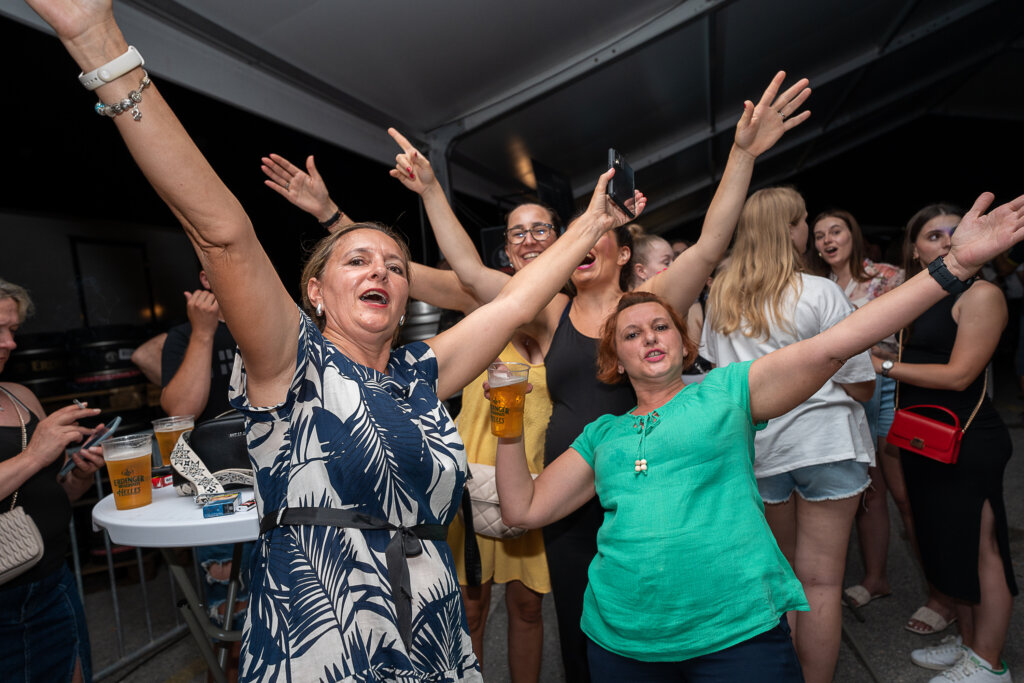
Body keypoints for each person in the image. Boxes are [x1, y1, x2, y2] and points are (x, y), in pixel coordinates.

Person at [24, 3, 644, 680]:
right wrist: (101, 47)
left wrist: (594, 224)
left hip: (432, 633)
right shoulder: (289, 363)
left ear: (405, 299)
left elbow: (519, 299)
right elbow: (223, 232)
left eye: (396, 267)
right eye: (357, 260)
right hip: (324, 642)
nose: (381, 271)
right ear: (315, 291)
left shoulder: (419, 372)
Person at [493, 187, 1024, 679]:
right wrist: (507, 420)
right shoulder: (602, 434)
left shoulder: (726, 393)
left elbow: (837, 343)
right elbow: (523, 508)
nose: (649, 337)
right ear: (614, 358)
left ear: (684, 343)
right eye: (631, 334)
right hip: (622, 644)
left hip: (737, 638)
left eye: (661, 326)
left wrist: (954, 267)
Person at [387, 72, 812, 682]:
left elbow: (710, 244)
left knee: (658, 611)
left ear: (622, 252)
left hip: (646, 482)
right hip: (566, 485)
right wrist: (431, 191)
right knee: (582, 625)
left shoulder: (649, 306)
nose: (581, 245)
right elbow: (470, 273)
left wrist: (742, 155)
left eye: (598, 235)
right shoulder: (551, 312)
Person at [261, 153, 560, 681]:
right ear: (505, 246)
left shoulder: (561, 312)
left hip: (527, 479)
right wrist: (335, 215)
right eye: (518, 231)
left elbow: (389, 269)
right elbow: (395, 266)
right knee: (473, 603)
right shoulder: (475, 295)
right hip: (460, 481)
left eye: (542, 229)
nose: (530, 239)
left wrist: (594, 223)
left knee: (526, 607)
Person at [701, 187, 877, 683]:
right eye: (803, 222)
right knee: (821, 582)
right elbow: (861, 383)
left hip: (760, 450)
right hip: (827, 445)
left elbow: (717, 376)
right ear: (791, 229)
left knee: (782, 579)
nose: (807, 231)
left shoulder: (722, 296)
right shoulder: (821, 292)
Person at [887, 204, 1017, 683]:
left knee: (981, 548)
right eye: (933, 235)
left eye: (953, 232)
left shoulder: (982, 294)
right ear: (914, 250)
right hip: (924, 436)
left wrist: (884, 367)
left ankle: (990, 663)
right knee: (946, 546)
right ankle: (968, 642)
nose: (945, 241)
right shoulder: (918, 297)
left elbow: (960, 375)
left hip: (967, 438)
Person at [807, 209, 916, 619]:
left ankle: (942, 590)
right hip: (844, 393)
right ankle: (875, 578)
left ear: (852, 234)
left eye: (835, 231)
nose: (827, 240)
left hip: (885, 386)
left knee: (903, 491)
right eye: (819, 235)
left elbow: (906, 335)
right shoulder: (815, 284)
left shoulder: (887, 277)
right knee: (869, 490)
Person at [0, 279, 106, 683]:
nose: (10, 343)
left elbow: (56, 492)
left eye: (13, 330)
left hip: (51, 583)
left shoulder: (21, 397)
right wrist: (35, 454)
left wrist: (79, 473)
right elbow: (35, 461)